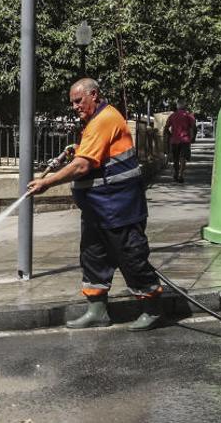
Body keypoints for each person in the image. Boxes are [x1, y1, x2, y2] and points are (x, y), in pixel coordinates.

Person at [28, 79, 163, 331]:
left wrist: (47, 182)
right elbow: (95, 155)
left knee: (131, 257)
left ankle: (152, 308)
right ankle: (97, 311)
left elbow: (83, 165)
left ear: (94, 95)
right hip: (98, 209)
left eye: (79, 101)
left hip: (119, 208)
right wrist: (78, 149)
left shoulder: (104, 119)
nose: (75, 107)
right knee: (93, 257)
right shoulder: (95, 122)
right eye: (72, 103)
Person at [164, 100, 196, 183]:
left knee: (175, 158)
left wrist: (170, 135)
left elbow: (166, 127)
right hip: (185, 140)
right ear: (184, 107)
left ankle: (176, 173)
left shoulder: (172, 116)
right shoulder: (189, 116)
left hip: (174, 140)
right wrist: (192, 138)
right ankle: (181, 175)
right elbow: (193, 127)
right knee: (183, 158)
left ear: (177, 107)